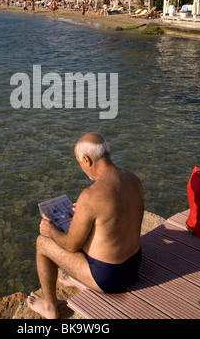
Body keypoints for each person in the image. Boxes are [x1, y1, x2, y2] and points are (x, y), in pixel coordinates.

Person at [27, 133, 144, 319]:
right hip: (134, 266)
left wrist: (51, 230)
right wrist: (82, 214)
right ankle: (81, 280)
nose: (81, 166)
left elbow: (71, 245)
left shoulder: (90, 196)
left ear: (87, 160)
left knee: (42, 242)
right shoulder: (134, 180)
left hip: (110, 279)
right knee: (88, 229)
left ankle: (50, 308)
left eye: (79, 162)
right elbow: (112, 220)